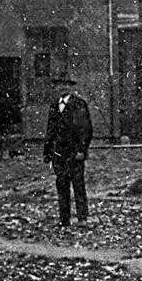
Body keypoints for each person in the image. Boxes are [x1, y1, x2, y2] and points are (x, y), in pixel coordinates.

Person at [43, 75, 93, 228]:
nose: (62, 88)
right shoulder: (54, 106)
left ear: (71, 87)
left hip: (74, 152)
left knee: (78, 185)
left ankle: (82, 218)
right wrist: (48, 152)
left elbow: (86, 130)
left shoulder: (78, 104)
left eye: (66, 85)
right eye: (59, 85)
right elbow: (50, 131)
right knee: (62, 185)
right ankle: (64, 219)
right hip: (59, 153)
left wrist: (81, 150)